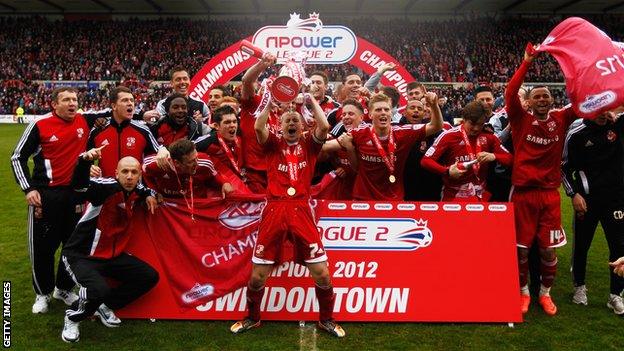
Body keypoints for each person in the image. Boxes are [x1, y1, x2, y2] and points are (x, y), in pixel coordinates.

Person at [230, 93, 345, 337]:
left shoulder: (310, 145)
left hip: (301, 208)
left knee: (322, 272)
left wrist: (311, 100)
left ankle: (326, 319)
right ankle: (252, 317)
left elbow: (324, 126)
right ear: (280, 127)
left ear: (302, 126)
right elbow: (259, 126)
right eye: (287, 121)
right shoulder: (272, 144)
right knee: (258, 275)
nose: (291, 123)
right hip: (274, 208)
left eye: (295, 120)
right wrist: (270, 104)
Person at [10, 87, 110, 314]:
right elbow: (18, 157)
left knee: (73, 246)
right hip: (46, 197)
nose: (72, 103)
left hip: (75, 195)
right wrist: (28, 189)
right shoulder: (40, 125)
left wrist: (146, 115)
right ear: (54, 104)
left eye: (75, 99)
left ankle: (63, 289)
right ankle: (42, 293)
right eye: (66, 100)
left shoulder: (85, 121)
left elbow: (114, 110)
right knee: (43, 248)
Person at [506, 44, 578, 316]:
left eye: (546, 96)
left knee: (548, 250)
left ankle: (544, 294)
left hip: (549, 195)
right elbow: (511, 92)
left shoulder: (561, 118)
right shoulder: (519, 119)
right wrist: (526, 62)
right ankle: (523, 293)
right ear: (530, 102)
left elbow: (581, 100)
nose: (542, 100)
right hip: (523, 193)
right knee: (522, 252)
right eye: (537, 96)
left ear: (552, 99)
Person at [60, 149, 159, 343]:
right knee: (99, 289)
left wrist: (150, 194)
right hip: (81, 255)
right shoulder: (104, 188)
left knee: (149, 276)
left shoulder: (137, 189)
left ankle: (103, 305)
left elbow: (146, 190)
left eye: (134, 172)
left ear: (140, 175)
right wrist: (84, 162)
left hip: (111, 257)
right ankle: (72, 316)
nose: (129, 176)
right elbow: (80, 187)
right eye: (125, 172)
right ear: (116, 173)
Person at [562, 112, 624, 314]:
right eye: (598, 110)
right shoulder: (577, 131)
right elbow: (563, 167)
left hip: (616, 198)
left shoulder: (618, 124)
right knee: (582, 245)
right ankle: (579, 287)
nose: (603, 114)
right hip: (587, 200)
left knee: (619, 246)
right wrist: (573, 194)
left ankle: (616, 294)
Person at [341, 92, 443, 200]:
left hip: (393, 199)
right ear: (370, 115)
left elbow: (436, 126)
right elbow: (326, 146)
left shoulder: (404, 133)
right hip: (363, 198)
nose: (383, 113)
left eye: (386, 109)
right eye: (378, 110)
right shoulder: (358, 133)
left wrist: (434, 106)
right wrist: (348, 147)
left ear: (391, 113)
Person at [421, 101, 512, 201]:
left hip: (480, 196)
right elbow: (426, 161)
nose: (476, 128)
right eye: (472, 124)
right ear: (464, 119)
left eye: (480, 124)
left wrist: (494, 156)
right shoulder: (449, 136)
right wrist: (447, 171)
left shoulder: (489, 136)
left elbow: (509, 159)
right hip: (452, 196)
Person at [88, 86, 163, 177]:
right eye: (125, 100)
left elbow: (156, 154)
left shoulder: (143, 131)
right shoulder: (97, 131)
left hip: (134, 189)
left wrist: (163, 150)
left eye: (132, 100)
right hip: (106, 189)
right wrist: (90, 168)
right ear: (114, 106)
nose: (130, 103)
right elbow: (85, 157)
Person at [143, 139, 233, 199]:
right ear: (177, 163)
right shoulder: (158, 165)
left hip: (197, 204)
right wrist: (153, 192)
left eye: (196, 158)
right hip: (169, 206)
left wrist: (224, 183)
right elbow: (142, 172)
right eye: (191, 162)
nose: (196, 163)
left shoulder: (204, 162)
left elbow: (215, 175)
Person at [194, 106, 251, 193]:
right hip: (218, 189)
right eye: (227, 122)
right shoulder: (206, 142)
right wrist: (164, 150)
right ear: (216, 126)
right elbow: (182, 149)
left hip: (243, 183)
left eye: (234, 121)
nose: (232, 125)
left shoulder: (241, 135)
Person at [145, 66, 210, 123]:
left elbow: (210, 124)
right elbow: (161, 126)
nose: (182, 82)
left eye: (185, 79)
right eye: (178, 79)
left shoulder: (201, 105)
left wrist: (201, 123)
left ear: (189, 81)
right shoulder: (162, 105)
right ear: (171, 83)